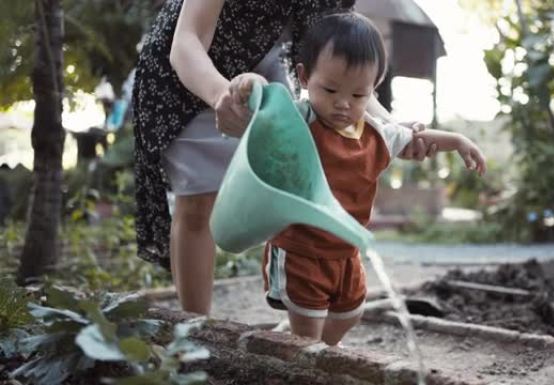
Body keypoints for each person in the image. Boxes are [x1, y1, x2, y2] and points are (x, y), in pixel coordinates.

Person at [132, 1, 438, 316]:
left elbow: (345, 71)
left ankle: (300, 300)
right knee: (196, 202)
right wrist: (220, 95)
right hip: (191, 73)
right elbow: (187, 40)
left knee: (295, 180)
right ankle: (195, 331)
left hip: (265, 69)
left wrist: (391, 127)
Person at [228, 12, 486, 346]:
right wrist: (249, 82)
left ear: (374, 89)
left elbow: (414, 137)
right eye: (331, 89)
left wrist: (458, 142)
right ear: (305, 77)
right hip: (300, 248)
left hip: (346, 250)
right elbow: (263, 105)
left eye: (358, 95)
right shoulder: (299, 120)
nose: (343, 104)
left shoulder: (377, 133)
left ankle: (314, 352)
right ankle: (302, 361)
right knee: (308, 331)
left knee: (350, 315)